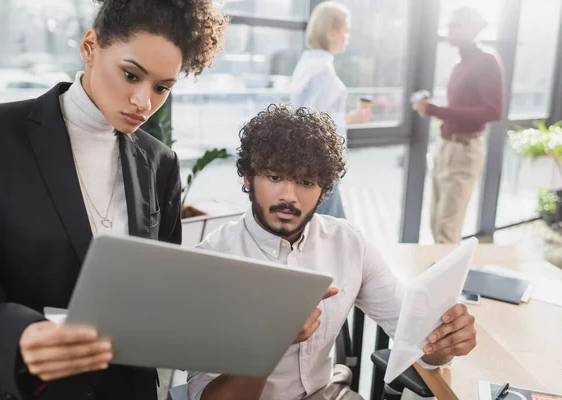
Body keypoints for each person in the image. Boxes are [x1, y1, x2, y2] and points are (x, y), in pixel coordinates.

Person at [0, 1, 227, 399]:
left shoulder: (161, 163)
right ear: (90, 47)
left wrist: (257, 325)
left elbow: (158, 295)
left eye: (162, 88)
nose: (144, 102)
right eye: (131, 75)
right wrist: (19, 336)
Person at [187, 105, 477, 400]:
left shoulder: (348, 243)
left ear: (324, 190)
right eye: (275, 177)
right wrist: (270, 342)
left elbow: (415, 339)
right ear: (248, 178)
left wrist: (444, 343)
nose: (289, 195)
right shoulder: (213, 261)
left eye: (306, 182)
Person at [412, 7, 503, 244]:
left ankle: (450, 280)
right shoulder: (460, 64)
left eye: (455, 26)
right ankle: (444, 277)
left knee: (446, 228)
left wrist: (434, 110)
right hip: (446, 148)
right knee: (436, 223)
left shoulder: (487, 61)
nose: (449, 30)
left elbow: (493, 111)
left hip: (464, 150)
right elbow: (462, 108)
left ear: (472, 29)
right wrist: (432, 108)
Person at [290, 1, 370, 219]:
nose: (348, 36)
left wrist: (350, 118)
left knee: (328, 229)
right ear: (333, 32)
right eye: (347, 30)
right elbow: (312, 123)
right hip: (319, 166)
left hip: (312, 164)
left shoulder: (308, 63)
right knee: (333, 231)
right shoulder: (322, 70)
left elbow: (319, 114)